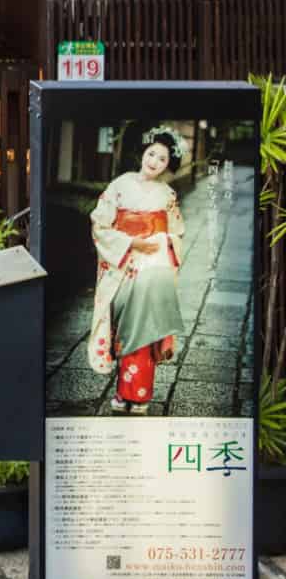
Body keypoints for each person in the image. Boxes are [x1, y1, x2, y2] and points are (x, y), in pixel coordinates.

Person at [87, 129, 189, 414]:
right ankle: (128, 393)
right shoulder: (120, 185)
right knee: (124, 327)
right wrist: (131, 242)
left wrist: (160, 242)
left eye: (163, 158)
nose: (155, 161)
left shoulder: (167, 194)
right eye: (152, 153)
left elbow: (177, 231)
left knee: (145, 327)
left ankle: (137, 396)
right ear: (143, 153)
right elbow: (100, 224)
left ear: (168, 165)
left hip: (153, 266)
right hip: (125, 264)